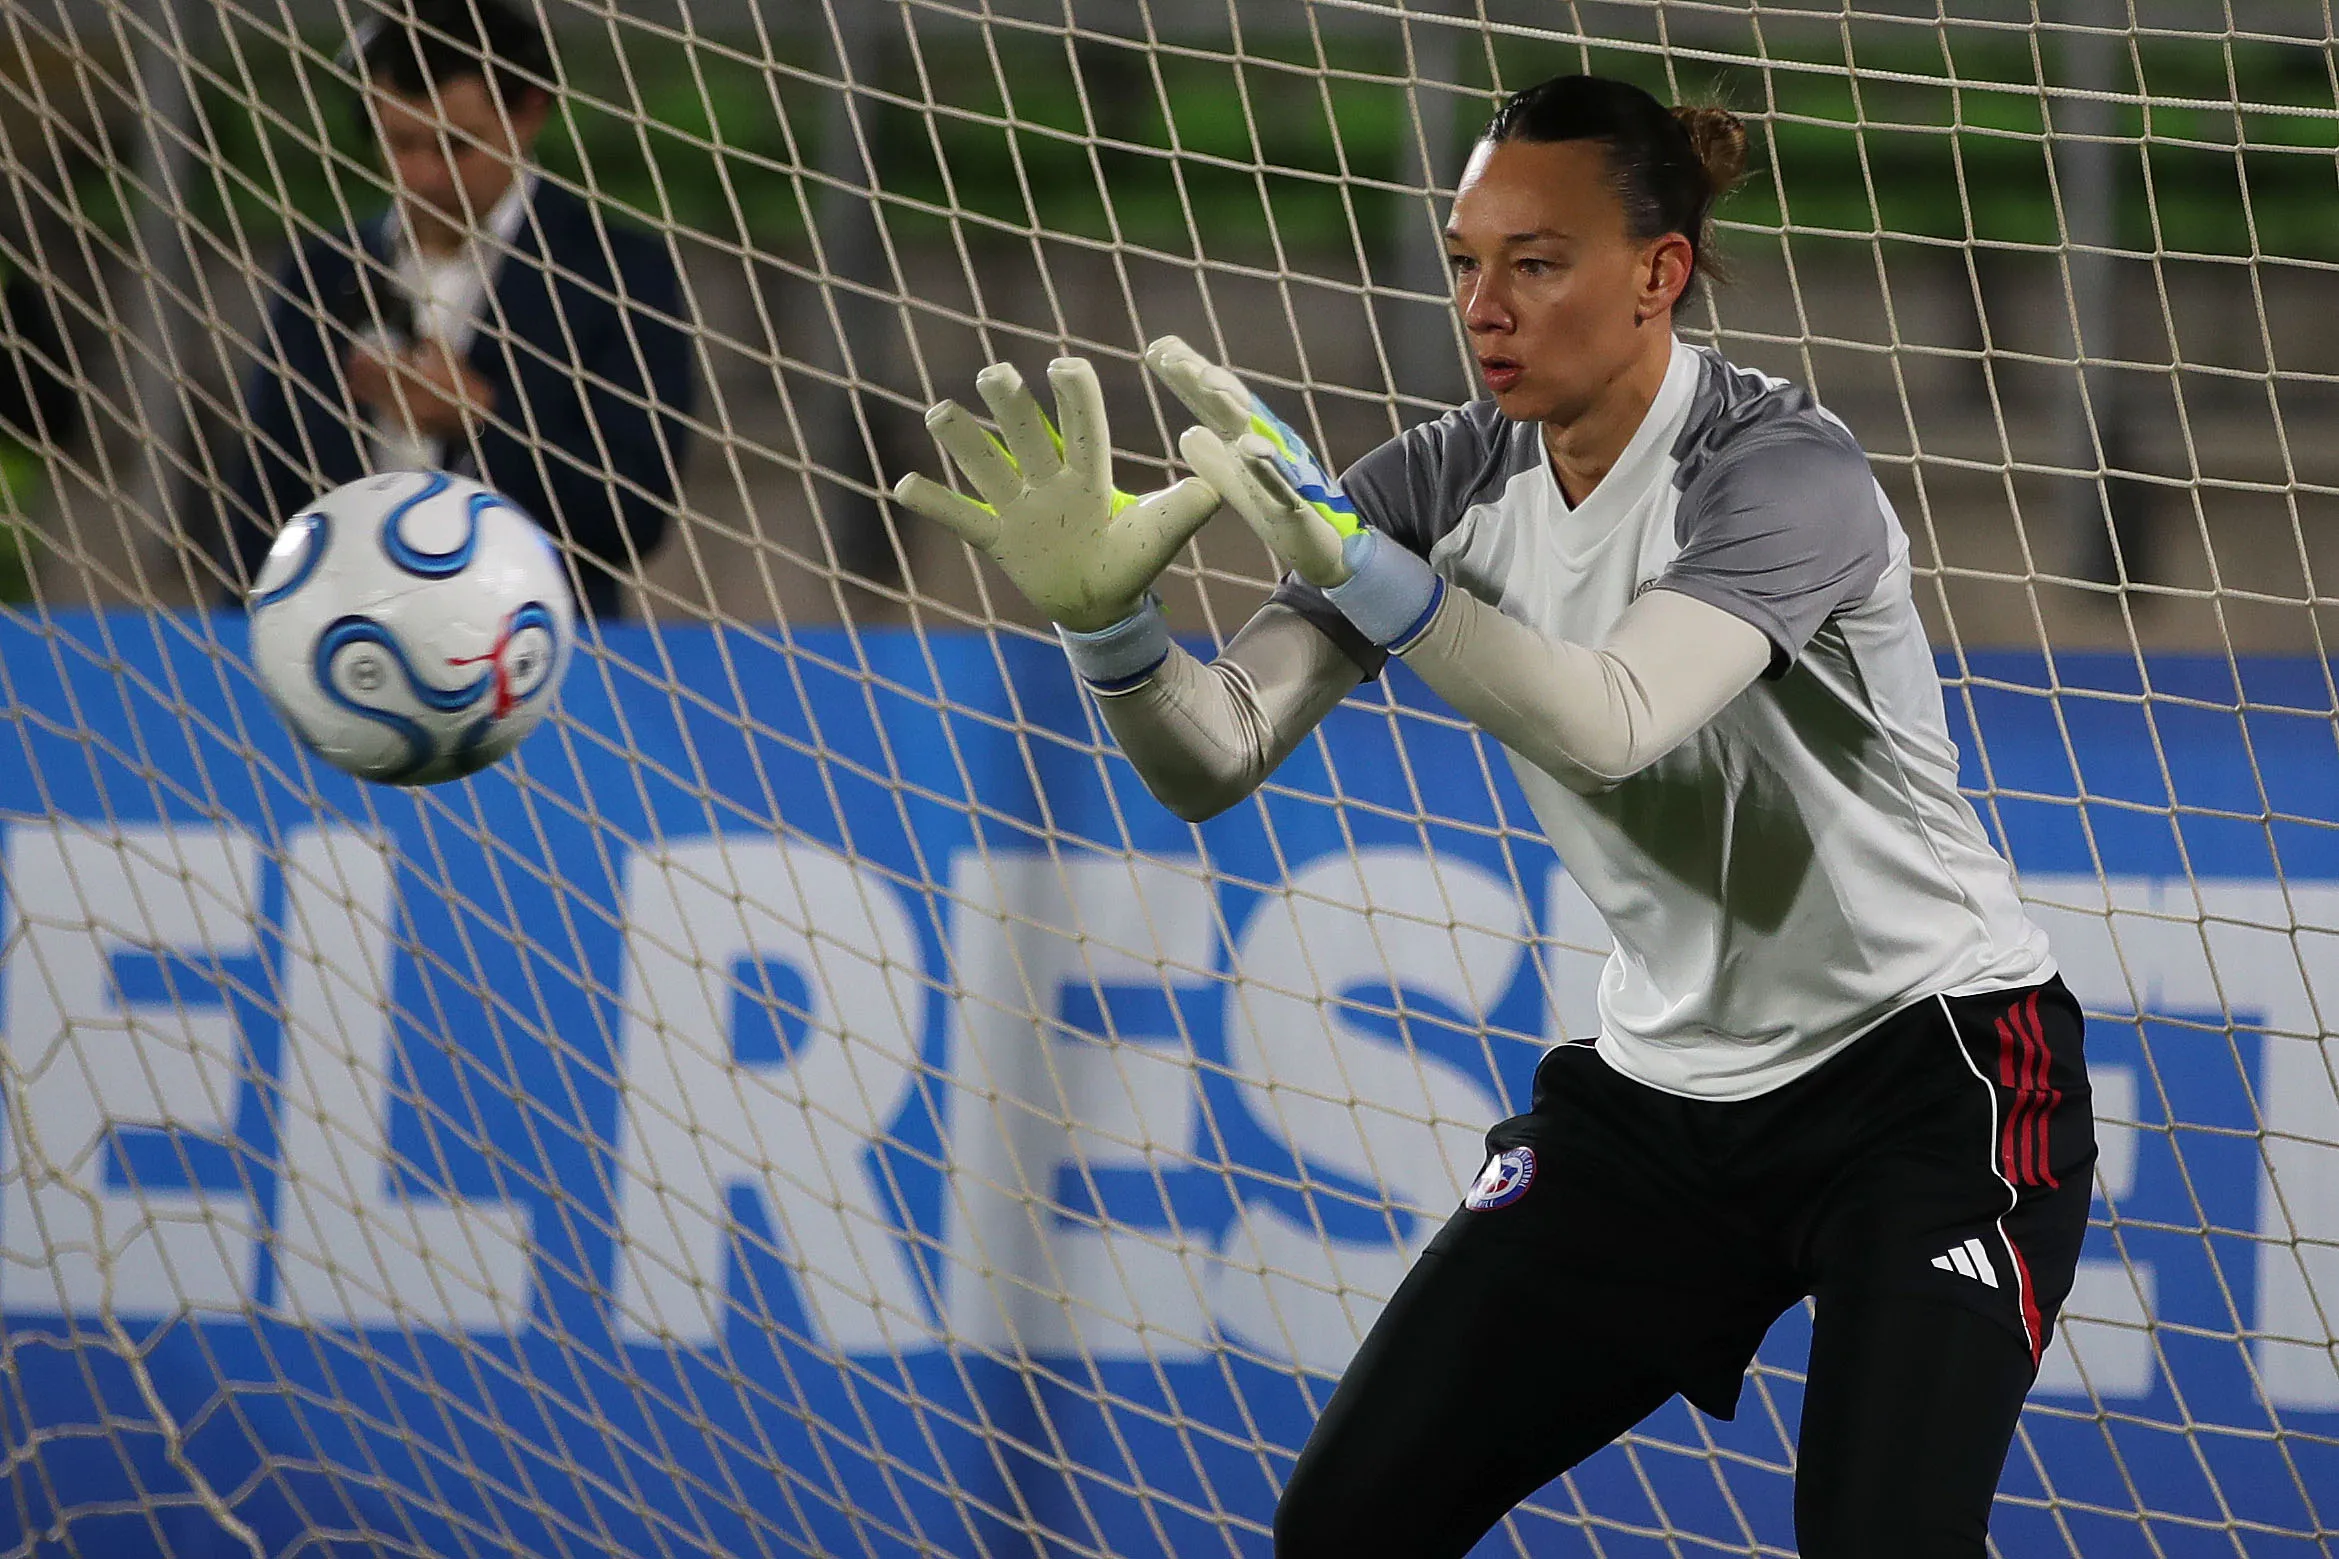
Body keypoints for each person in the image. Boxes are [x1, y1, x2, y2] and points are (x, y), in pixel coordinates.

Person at [893, 73, 2096, 1559]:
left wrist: (1369, 576)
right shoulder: (1439, 478)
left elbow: (1609, 717)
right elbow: (1213, 754)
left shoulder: (1780, 471)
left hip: (1932, 1075)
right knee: (1346, 1523)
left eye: (1535, 261)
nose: (1484, 304)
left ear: (1656, 274)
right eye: (1465, 259)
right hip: (1660, 1101)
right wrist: (1112, 633)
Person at [223, 0, 693, 619]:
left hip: (535, 652)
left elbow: (634, 516)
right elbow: (262, 497)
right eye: (401, 142)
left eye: (456, 145)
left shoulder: (618, 272)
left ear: (529, 114)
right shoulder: (323, 270)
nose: (424, 175)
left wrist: (481, 419)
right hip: (339, 645)